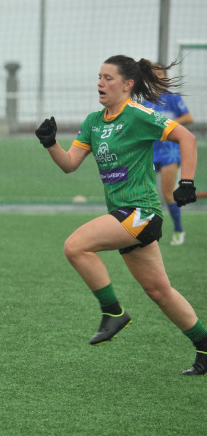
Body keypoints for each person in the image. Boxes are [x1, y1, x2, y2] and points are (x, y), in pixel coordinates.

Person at [34, 55, 205, 375]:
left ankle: (113, 312)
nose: (101, 82)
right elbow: (70, 164)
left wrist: (186, 182)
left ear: (128, 85)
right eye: (99, 76)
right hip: (123, 215)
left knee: (75, 246)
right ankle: (205, 345)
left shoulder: (138, 115)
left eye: (109, 78)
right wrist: (50, 143)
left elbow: (187, 137)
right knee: (159, 292)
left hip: (142, 212)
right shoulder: (93, 122)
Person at [142, 65, 194, 246]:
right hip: (150, 151)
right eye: (153, 75)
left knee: (167, 193)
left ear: (165, 77)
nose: (157, 77)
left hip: (170, 151)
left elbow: (188, 118)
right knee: (146, 194)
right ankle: (145, 230)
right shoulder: (145, 101)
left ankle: (179, 230)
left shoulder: (172, 97)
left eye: (160, 74)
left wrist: (167, 124)